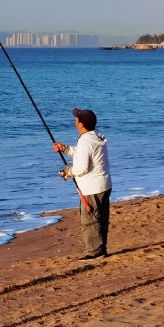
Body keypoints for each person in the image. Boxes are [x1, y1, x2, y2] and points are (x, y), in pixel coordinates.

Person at [53, 108, 112, 259]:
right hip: (104, 184)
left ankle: (94, 252)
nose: (75, 120)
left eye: (77, 118)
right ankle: (101, 248)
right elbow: (82, 153)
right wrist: (65, 149)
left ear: (80, 124)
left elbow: (81, 168)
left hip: (91, 188)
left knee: (90, 220)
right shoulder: (96, 135)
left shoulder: (86, 140)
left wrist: (68, 172)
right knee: (101, 218)